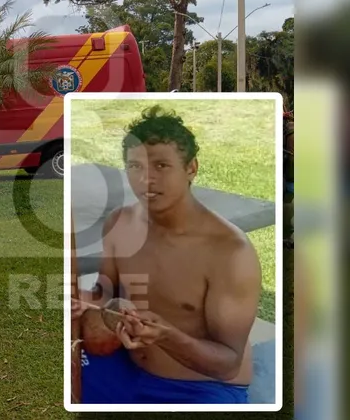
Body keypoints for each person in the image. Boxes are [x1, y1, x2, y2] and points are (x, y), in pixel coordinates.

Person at [72, 105, 262, 404]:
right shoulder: (119, 222)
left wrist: (167, 336)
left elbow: (227, 364)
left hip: (201, 389)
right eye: (135, 167)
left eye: (161, 165)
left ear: (191, 168)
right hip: (126, 367)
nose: (146, 180)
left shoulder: (229, 252)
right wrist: (80, 299)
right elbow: (105, 291)